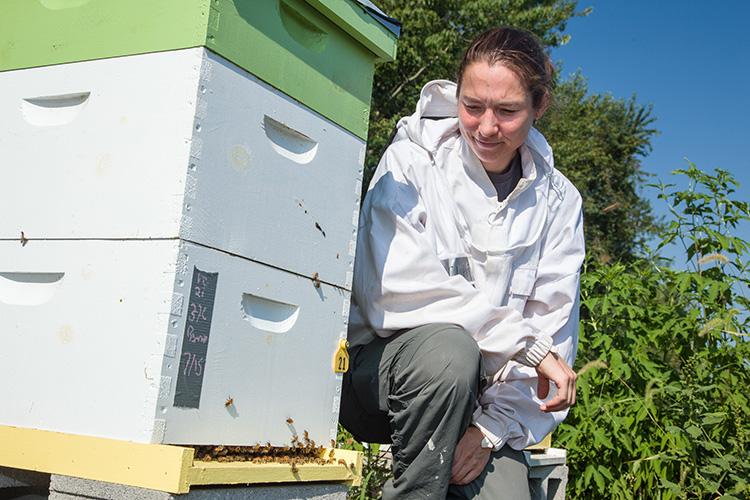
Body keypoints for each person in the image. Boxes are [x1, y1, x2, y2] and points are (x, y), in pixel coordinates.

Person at [340, 26, 585, 499]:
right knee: (451, 353)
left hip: (480, 406)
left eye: (509, 111)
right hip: (382, 381)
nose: (486, 127)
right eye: (472, 106)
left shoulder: (560, 202)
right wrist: (524, 345)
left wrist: (489, 431)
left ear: (540, 107)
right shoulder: (410, 163)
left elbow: (553, 326)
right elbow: (391, 289)